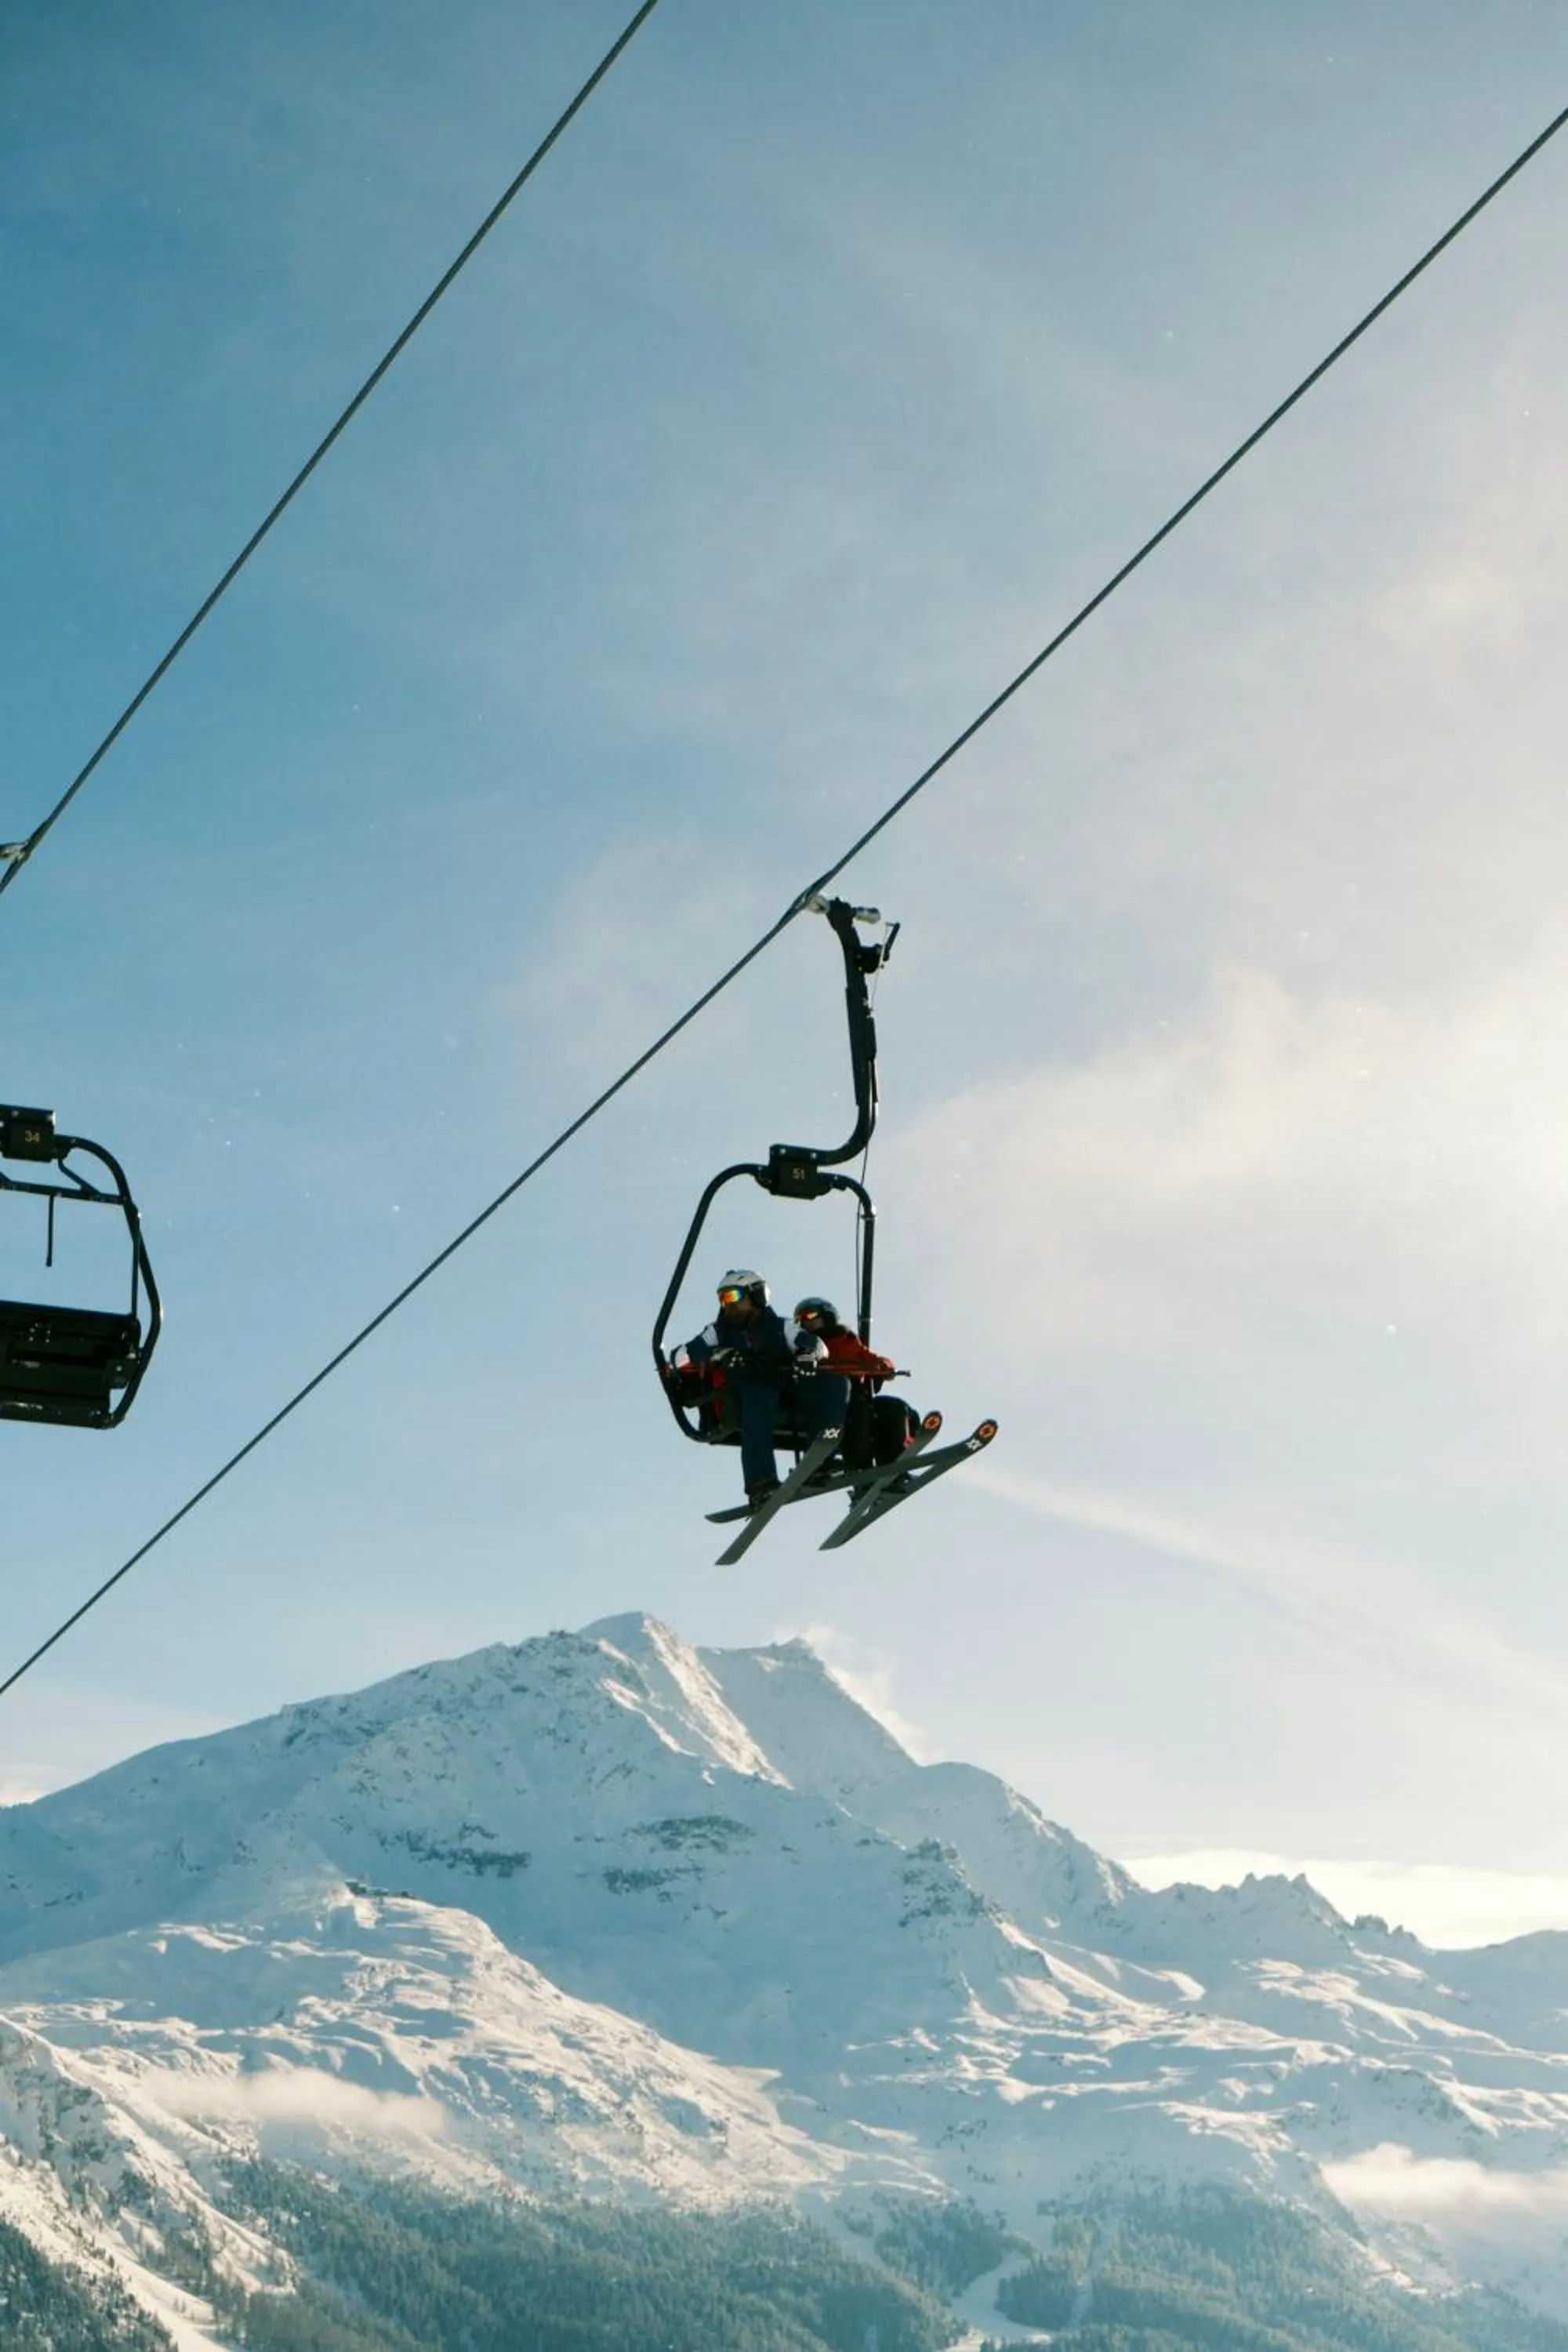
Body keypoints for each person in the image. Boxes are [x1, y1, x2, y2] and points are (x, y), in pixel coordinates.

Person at [670, 1270, 849, 1507]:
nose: (728, 1305)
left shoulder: (780, 1326)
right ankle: (761, 1482)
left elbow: (818, 1346)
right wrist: (715, 1353)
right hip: (748, 1388)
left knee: (834, 1381)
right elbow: (678, 1358)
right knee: (759, 1398)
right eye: (722, 1299)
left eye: (733, 1296)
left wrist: (808, 1356)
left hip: (785, 1384)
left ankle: (820, 1461)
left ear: (756, 1295)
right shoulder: (718, 1331)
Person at [792, 1296, 919, 1473]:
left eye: (810, 1315)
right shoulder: (802, 1344)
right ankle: (859, 1466)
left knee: (895, 1408)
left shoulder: (848, 1340)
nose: (805, 1322)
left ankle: (892, 1467)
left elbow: (871, 1359)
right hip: (825, 1394)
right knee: (857, 1410)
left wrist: (884, 1367)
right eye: (799, 1320)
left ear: (828, 1316)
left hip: (857, 1393)